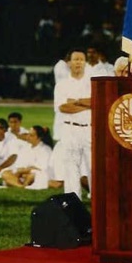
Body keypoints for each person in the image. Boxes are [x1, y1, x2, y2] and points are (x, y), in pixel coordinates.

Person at [53, 47, 92, 200]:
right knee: (70, 167)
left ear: (85, 63)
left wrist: (75, 101)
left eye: (81, 60)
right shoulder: (62, 85)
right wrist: (85, 104)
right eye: (75, 59)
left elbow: (96, 103)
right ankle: (73, 200)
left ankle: (96, 200)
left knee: (92, 167)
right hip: (69, 128)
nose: (78, 63)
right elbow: (63, 107)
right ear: (68, 63)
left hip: (88, 129)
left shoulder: (92, 83)